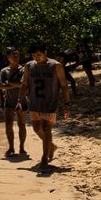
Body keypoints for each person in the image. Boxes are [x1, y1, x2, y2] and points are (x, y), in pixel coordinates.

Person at [18, 42, 71, 170]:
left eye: (39, 54)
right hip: (34, 102)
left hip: (50, 103)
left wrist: (67, 104)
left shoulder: (56, 66)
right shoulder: (29, 66)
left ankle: (44, 158)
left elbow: (64, 85)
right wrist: (20, 100)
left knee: (46, 128)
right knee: (37, 128)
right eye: (34, 55)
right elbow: (25, 84)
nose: (36, 57)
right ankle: (51, 146)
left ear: (45, 53)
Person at [0, 47, 27, 157]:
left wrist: (8, 83)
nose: (16, 57)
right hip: (9, 101)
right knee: (8, 125)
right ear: (8, 57)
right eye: (13, 55)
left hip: (22, 100)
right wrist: (14, 84)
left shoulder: (23, 70)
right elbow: (1, 85)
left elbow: (22, 84)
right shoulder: (4, 71)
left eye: (17, 55)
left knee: (22, 124)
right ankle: (11, 147)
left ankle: (22, 147)